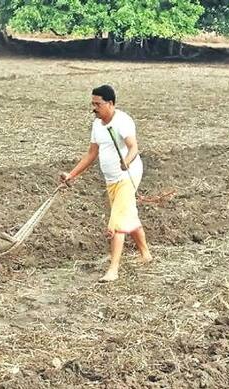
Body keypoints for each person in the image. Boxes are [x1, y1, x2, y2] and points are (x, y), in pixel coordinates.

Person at [60, 85, 153, 282]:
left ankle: (113, 269)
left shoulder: (123, 122)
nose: (94, 108)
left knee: (117, 223)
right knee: (128, 215)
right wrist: (72, 174)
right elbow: (91, 154)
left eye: (98, 104)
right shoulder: (97, 125)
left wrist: (126, 161)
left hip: (128, 175)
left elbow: (133, 147)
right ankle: (146, 254)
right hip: (111, 179)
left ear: (110, 103)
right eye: (92, 104)